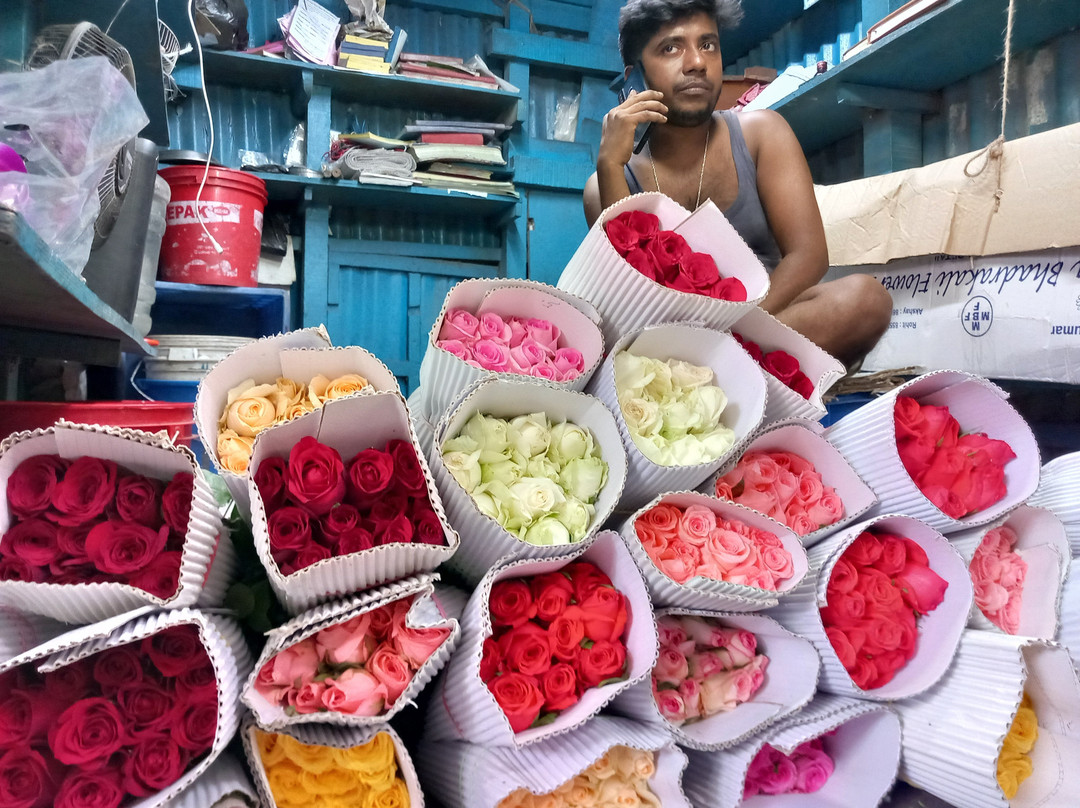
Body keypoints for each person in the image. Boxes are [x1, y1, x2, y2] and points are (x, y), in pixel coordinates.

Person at [583, 0, 892, 370]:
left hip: (766, 326)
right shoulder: (609, 181)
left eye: (708, 44)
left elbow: (809, 257)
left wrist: (724, 339)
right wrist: (610, 164)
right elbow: (630, 296)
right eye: (671, 48)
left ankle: (715, 376)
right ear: (635, 79)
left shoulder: (762, 133)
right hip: (667, 347)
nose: (697, 62)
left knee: (865, 300)